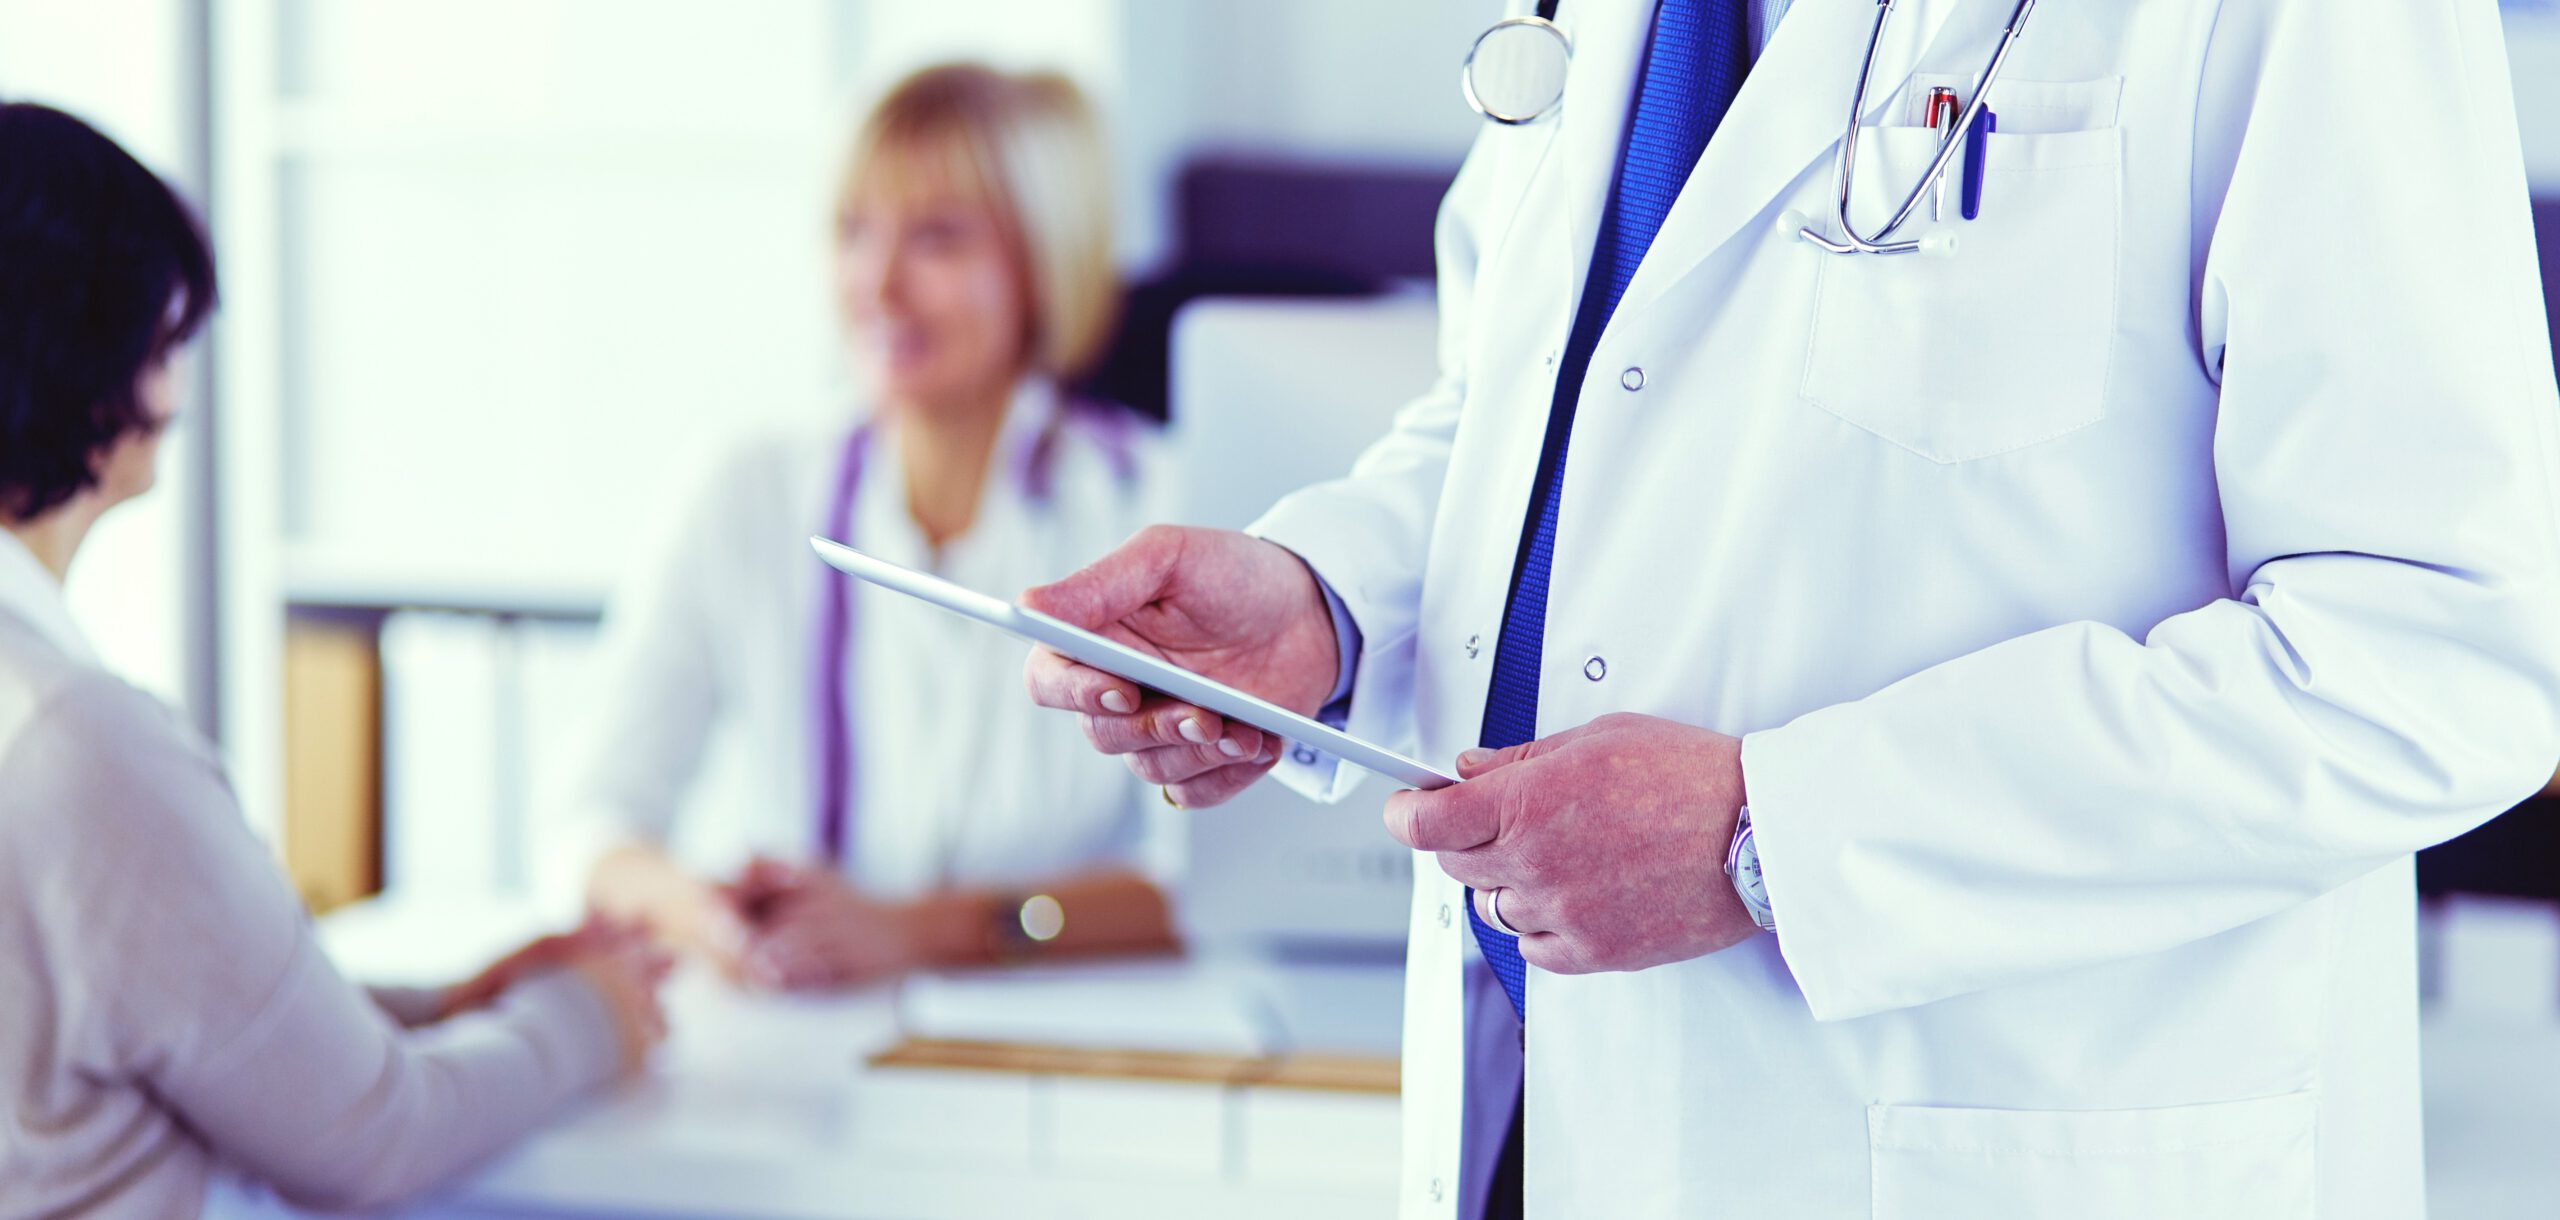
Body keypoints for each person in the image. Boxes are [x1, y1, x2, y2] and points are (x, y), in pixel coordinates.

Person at [1022, 1, 2560, 1216]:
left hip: (1988, 1144)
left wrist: (1779, 834)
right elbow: (1533, 406)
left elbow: (2439, 650)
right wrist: (1331, 597)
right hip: (1538, 1123)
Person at [0, 101, 671, 1218]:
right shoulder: (74, 738)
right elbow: (374, 1135)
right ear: (97, 360)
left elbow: (144, 1014)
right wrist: (590, 1014)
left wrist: (442, 1000)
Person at [569, 63, 1181, 991]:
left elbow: (1199, 889)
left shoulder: (1158, 510)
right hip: (803, 1041)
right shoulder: (746, 492)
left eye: (936, 239)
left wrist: (914, 933)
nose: (877, 283)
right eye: (855, 231)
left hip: (1072, 1043)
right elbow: (594, 826)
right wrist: (718, 921)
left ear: (1043, 262)